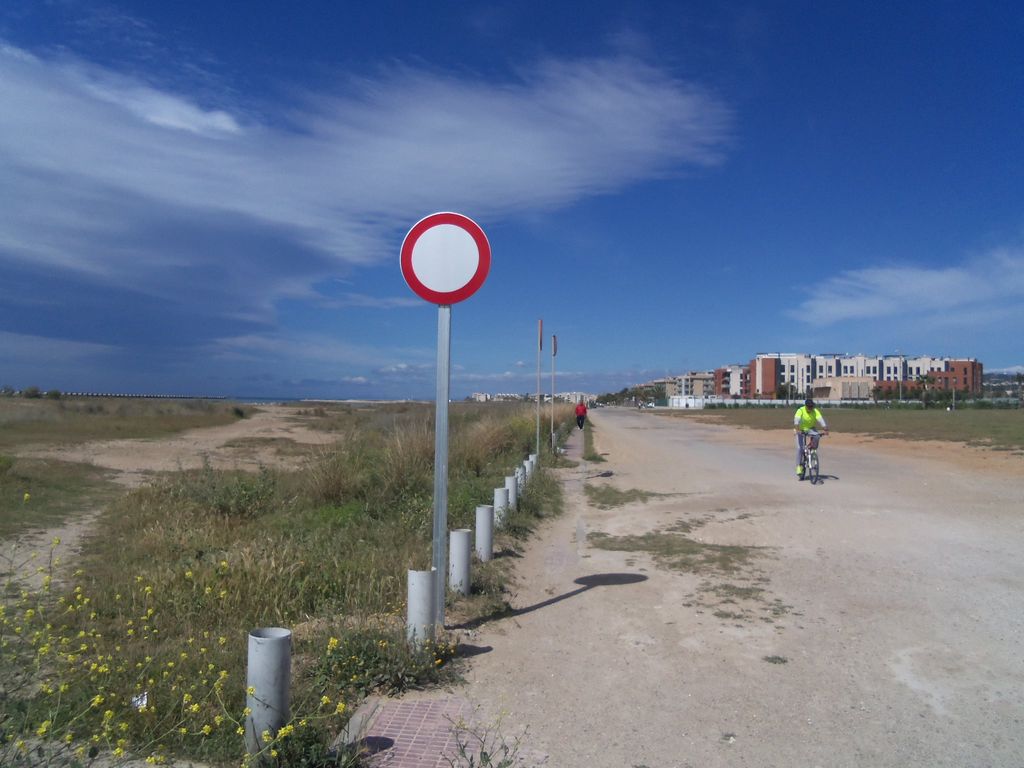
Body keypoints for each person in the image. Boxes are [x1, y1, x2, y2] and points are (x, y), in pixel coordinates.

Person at [793, 397, 829, 479]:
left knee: (817, 436)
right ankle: (799, 466)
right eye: (808, 407)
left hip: (811, 429)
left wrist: (825, 428)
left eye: (811, 406)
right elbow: (796, 420)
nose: (810, 408)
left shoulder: (815, 411)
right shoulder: (800, 410)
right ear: (805, 406)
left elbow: (821, 420)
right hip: (800, 429)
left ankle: (809, 446)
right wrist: (797, 430)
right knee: (799, 449)